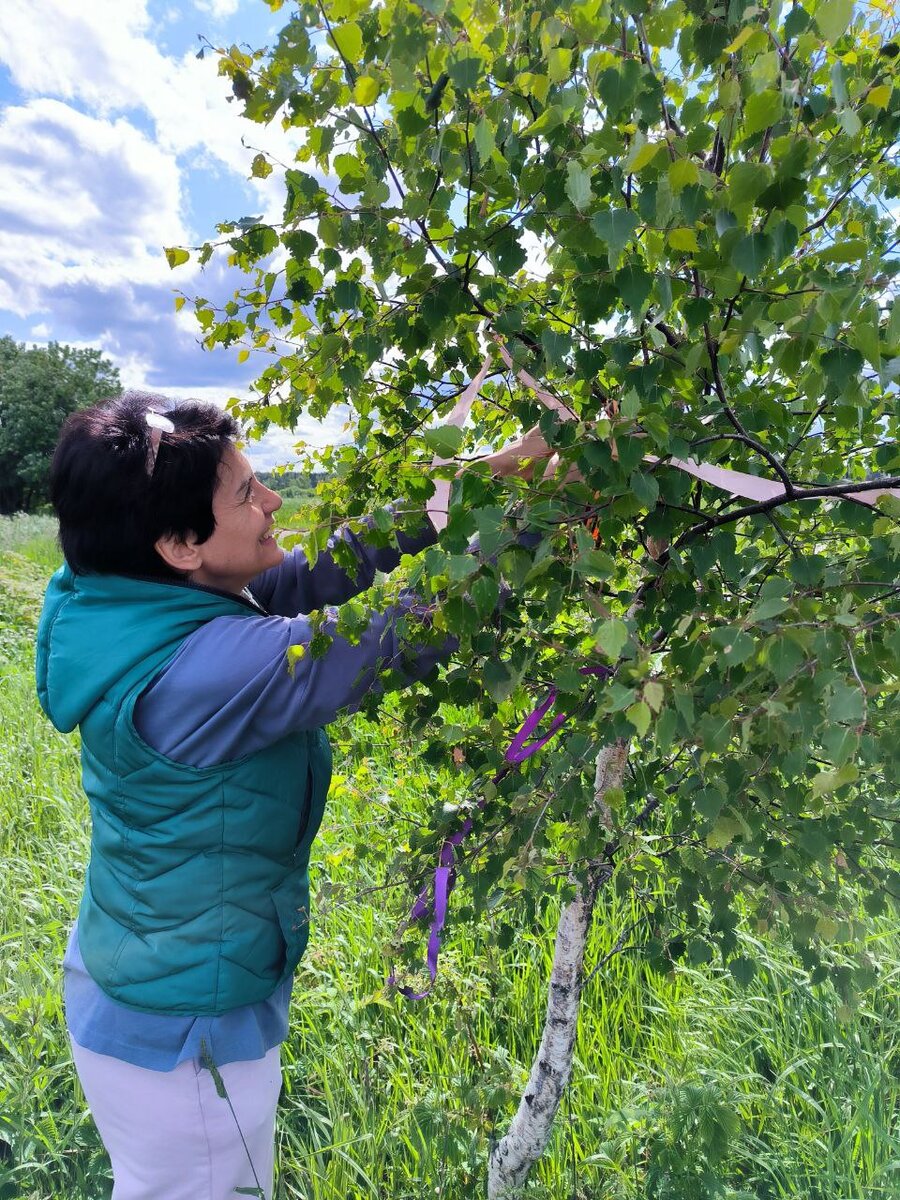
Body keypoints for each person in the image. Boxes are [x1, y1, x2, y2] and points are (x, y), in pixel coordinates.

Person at [34, 391, 472, 1200]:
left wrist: (486, 478)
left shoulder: (131, 593)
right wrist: (532, 532)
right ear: (178, 543)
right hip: (181, 1036)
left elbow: (303, 576)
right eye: (246, 494)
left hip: (147, 980)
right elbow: (384, 640)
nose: (272, 501)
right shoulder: (202, 671)